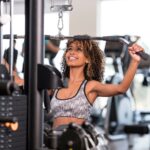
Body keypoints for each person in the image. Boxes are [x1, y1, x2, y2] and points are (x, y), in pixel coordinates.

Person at [49, 37, 144, 129]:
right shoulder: (57, 85)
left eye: (78, 49)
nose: (72, 52)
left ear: (88, 59)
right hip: (53, 141)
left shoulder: (90, 86)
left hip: (76, 142)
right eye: (69, 49)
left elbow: (121, 88)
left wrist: (135, 61)